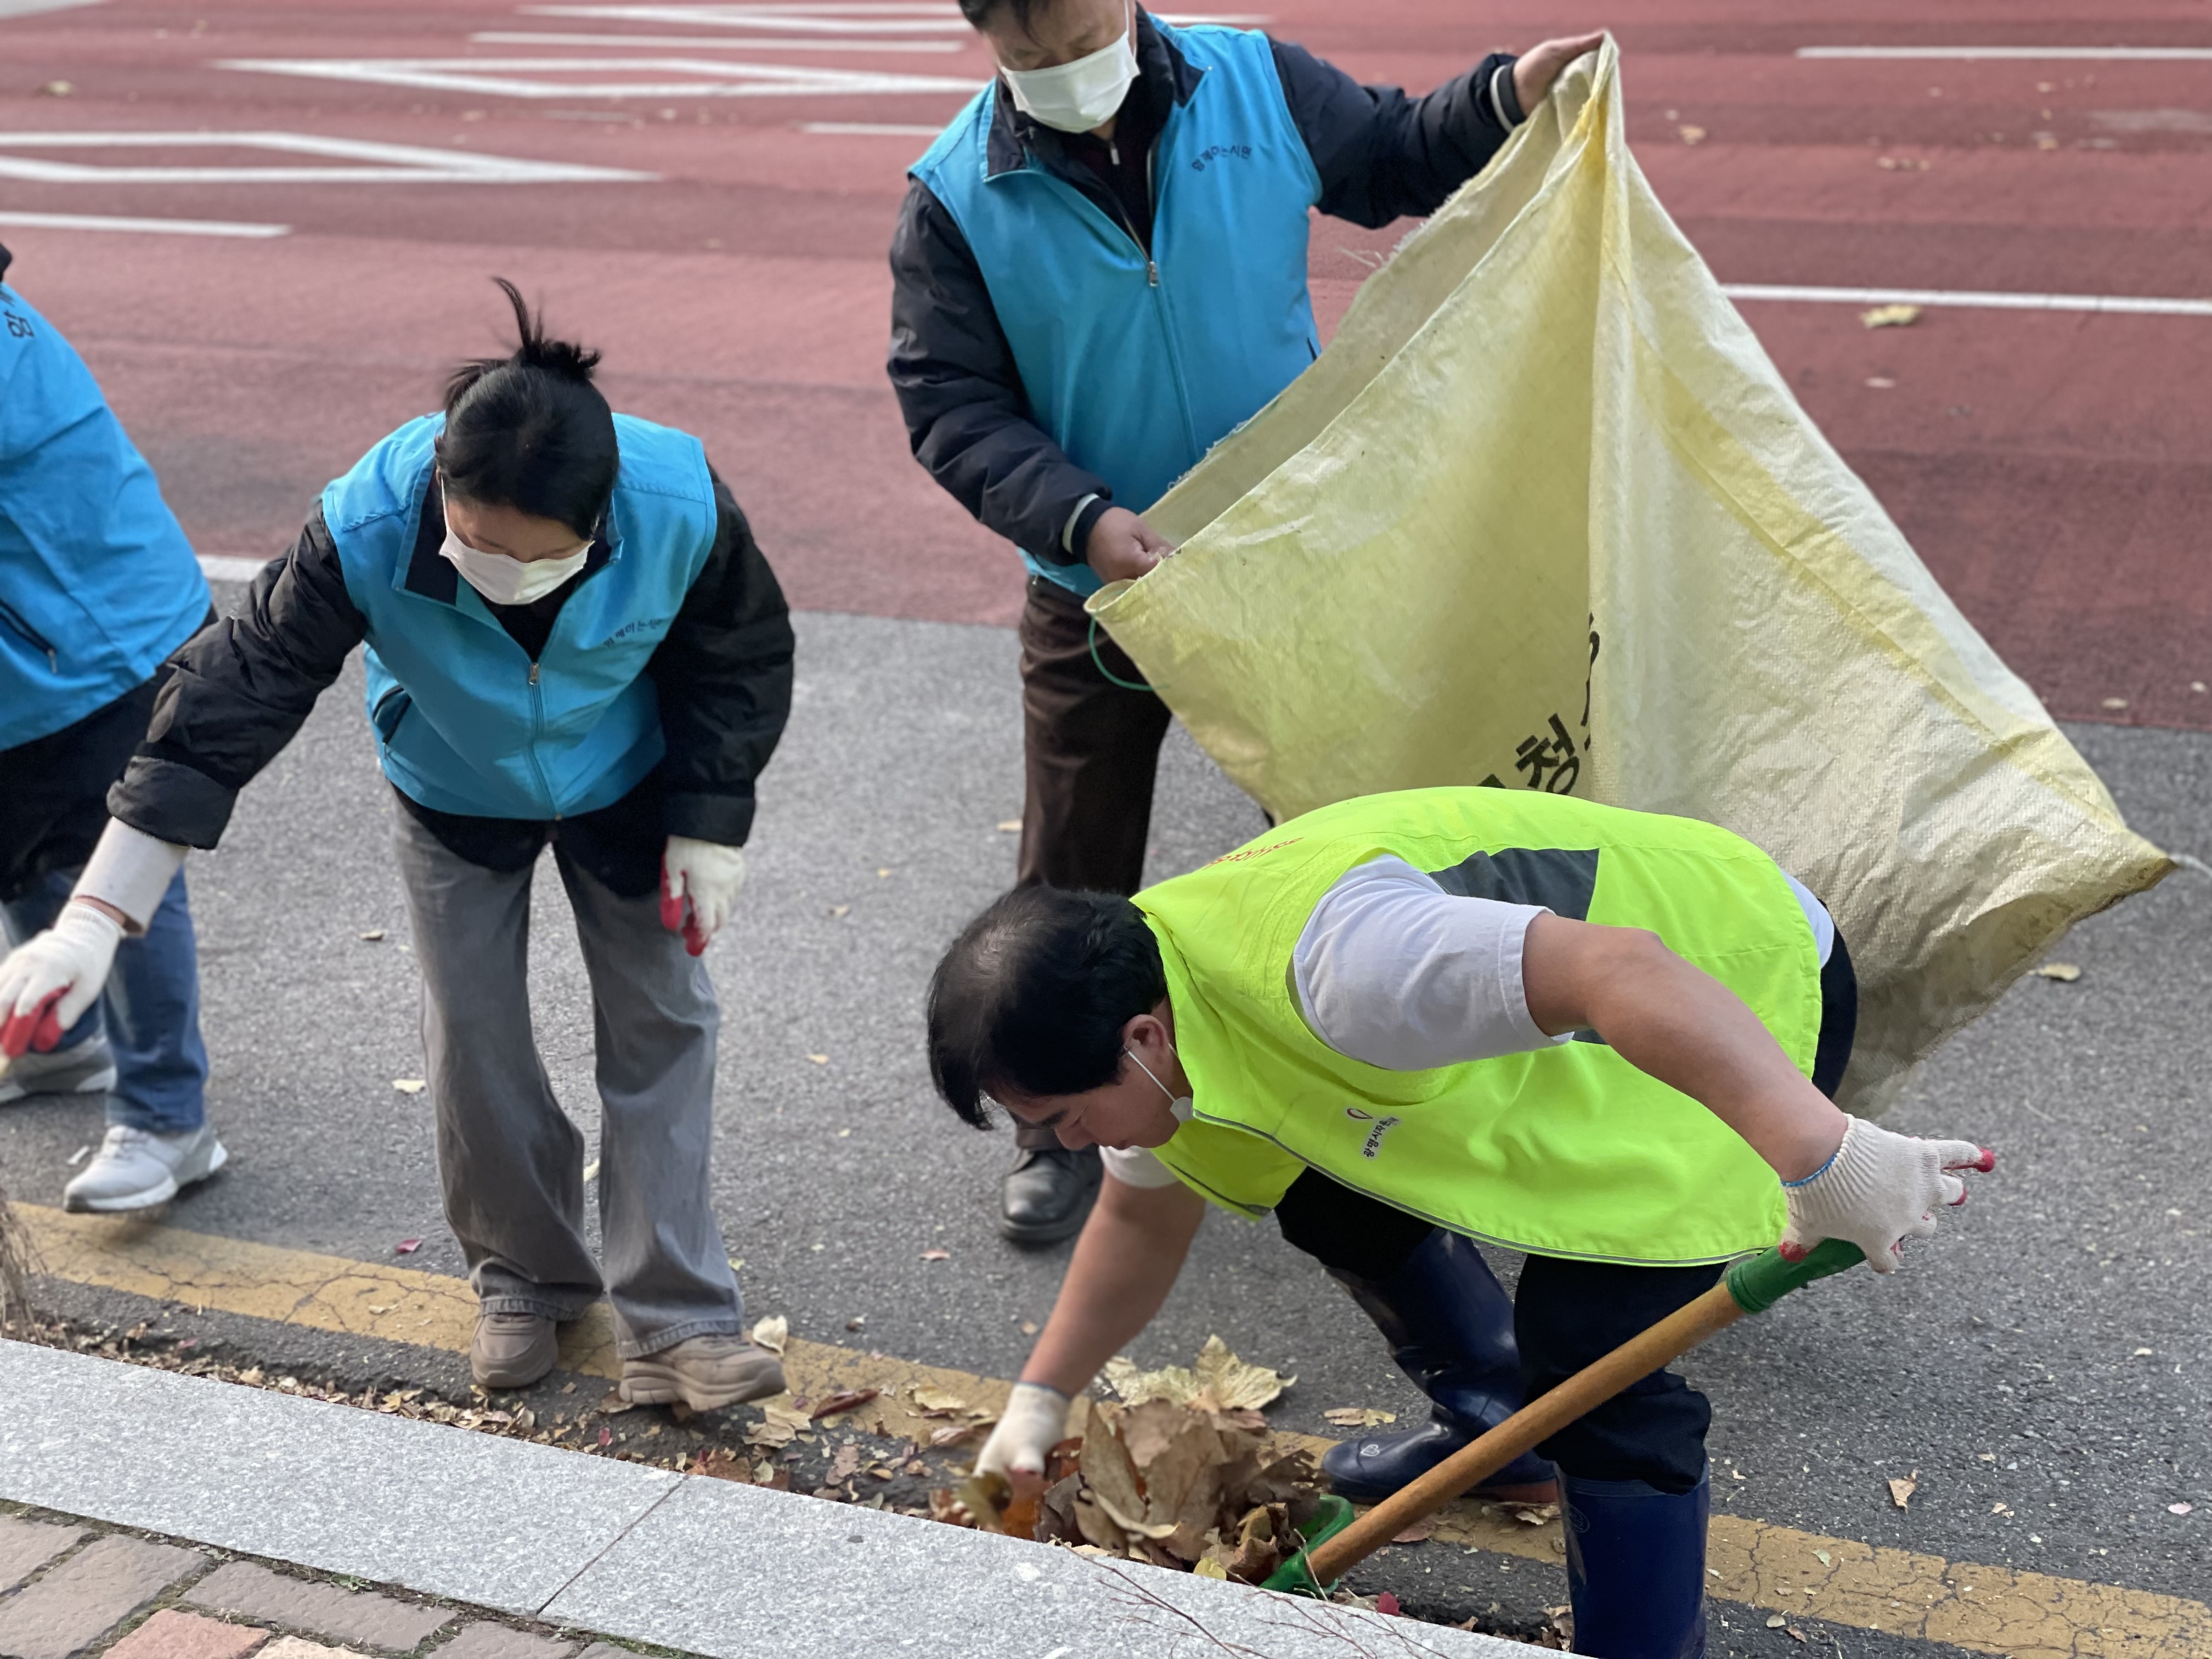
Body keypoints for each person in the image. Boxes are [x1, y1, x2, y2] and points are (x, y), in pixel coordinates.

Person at [926, 788, 1991, 1655]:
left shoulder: (1347, 965)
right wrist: (1039, 1402)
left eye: (1059, 1119)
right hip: (1579, 1012)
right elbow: (1138, 1226)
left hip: (1728, 970)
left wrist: (1825, 1152)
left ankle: (1641, 1649)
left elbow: (1621, 970)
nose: (1061, 1144)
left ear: (1143, 1040)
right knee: (1327, 1200)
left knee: (1594, 1351)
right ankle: (1500, 1428)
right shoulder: (1144, 1022)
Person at [0, 281, 797, 1409]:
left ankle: (678, 1321)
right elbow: (237, 691)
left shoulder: (677, 502)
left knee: (664, 1019)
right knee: (473, 1033)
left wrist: (712, 820)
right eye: (476, 545)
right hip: (449, 780)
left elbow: (740, 654)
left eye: (537, 560)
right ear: (441, 487)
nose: (502, 572)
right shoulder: (368, 522)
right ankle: (523, 1277)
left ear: (601, 523)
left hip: (631, 780)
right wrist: (95, 916)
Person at [889, 0, 1605, 1243]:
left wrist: (1504, 98)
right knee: (1073, 864)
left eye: (1079, 35)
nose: (1067, 69)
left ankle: (1357, 1103)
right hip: (1102, 588)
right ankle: (1059, 1125)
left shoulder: (1252, 81)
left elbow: (1389, 156)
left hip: (1290, 565)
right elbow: (949, 401)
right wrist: (1080, 518)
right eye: (1032, 54)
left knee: (1336, 850)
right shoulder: (957, 195)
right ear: (984, 31)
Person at [0, 241, 224, 1212]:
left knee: (110, 861)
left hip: (105, 647)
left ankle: (168, 1118)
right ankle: (60, 1041)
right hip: (39, 655)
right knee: (23, 846)